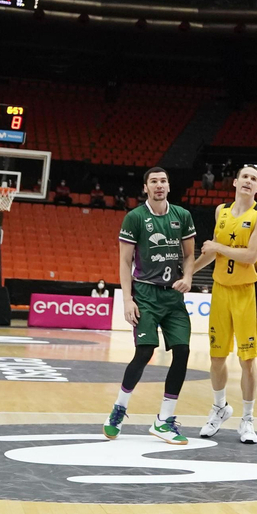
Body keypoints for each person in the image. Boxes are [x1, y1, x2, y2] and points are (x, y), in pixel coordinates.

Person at [104, 167, 196, 445]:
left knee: (182, 352)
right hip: (144, 294)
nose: (159, 185)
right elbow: (124, 261)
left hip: (173, 297)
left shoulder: (182, 216)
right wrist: (127, 299)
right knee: (144, 352)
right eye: (154, 181)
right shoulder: (135, 218)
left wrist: (188, 277)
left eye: (163, 181)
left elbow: (190, 255)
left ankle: (164, 421)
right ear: (145, 187)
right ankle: (119, 409)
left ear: (169, 186)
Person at [185, 164, 257, 445]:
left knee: (247, 359)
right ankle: (220, 408)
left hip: (247, 292)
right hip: (220, 290)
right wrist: (188, 273)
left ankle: (247, 419)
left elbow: (250, 254)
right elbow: (212, 254)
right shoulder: (220, 211)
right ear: (235, 182)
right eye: (244, 176)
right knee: (217, 357)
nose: (248, 181)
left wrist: (217, 247)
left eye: (253, 178)